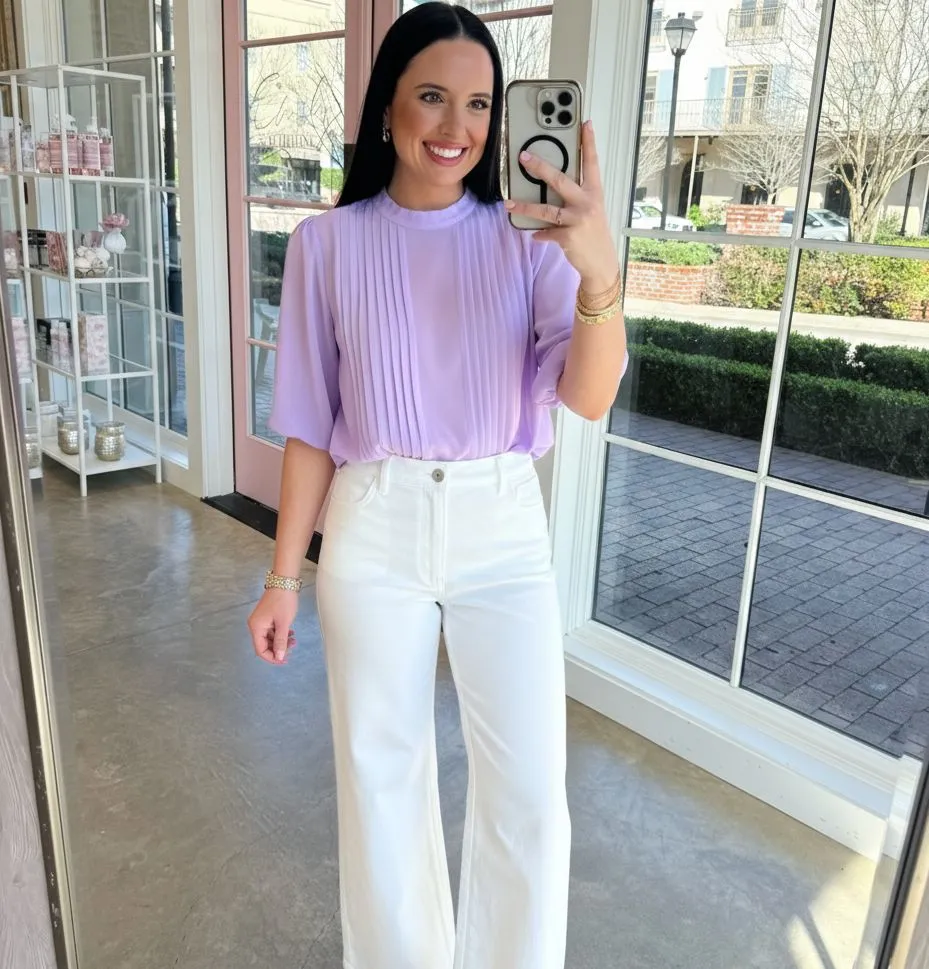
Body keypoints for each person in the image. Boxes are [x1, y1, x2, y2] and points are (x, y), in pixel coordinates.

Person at [246, 4, 628, 968]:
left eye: (478, 103)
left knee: (531, 792)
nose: (455, 124)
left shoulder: (529, 239)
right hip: (373, 525)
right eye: (429, 96)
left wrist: (596, 272)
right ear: (385, 111)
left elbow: (586, 398)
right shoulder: (324, 245)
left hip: (502, 522)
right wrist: (282, 576)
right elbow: (309, 427)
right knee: (382, 780)